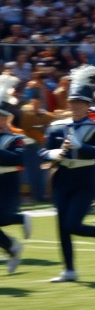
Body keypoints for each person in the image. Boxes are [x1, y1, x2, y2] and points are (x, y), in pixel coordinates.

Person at [38, 65, 95, 282]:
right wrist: (54, 153)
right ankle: (69, 269)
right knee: (62, 226)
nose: (76, 106)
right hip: (62, 178)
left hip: (85, 179)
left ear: (88, 105)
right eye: (73, 102)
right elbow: (42, 151)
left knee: (73, 223)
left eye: (80, 103)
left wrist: (80, 146)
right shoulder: (58, 127)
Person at [0, 72, 29, 273]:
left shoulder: (14, 139)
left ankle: (12, 246)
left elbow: (18, 159)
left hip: (7, 183)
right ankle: (12, 247)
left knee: (2, 218)